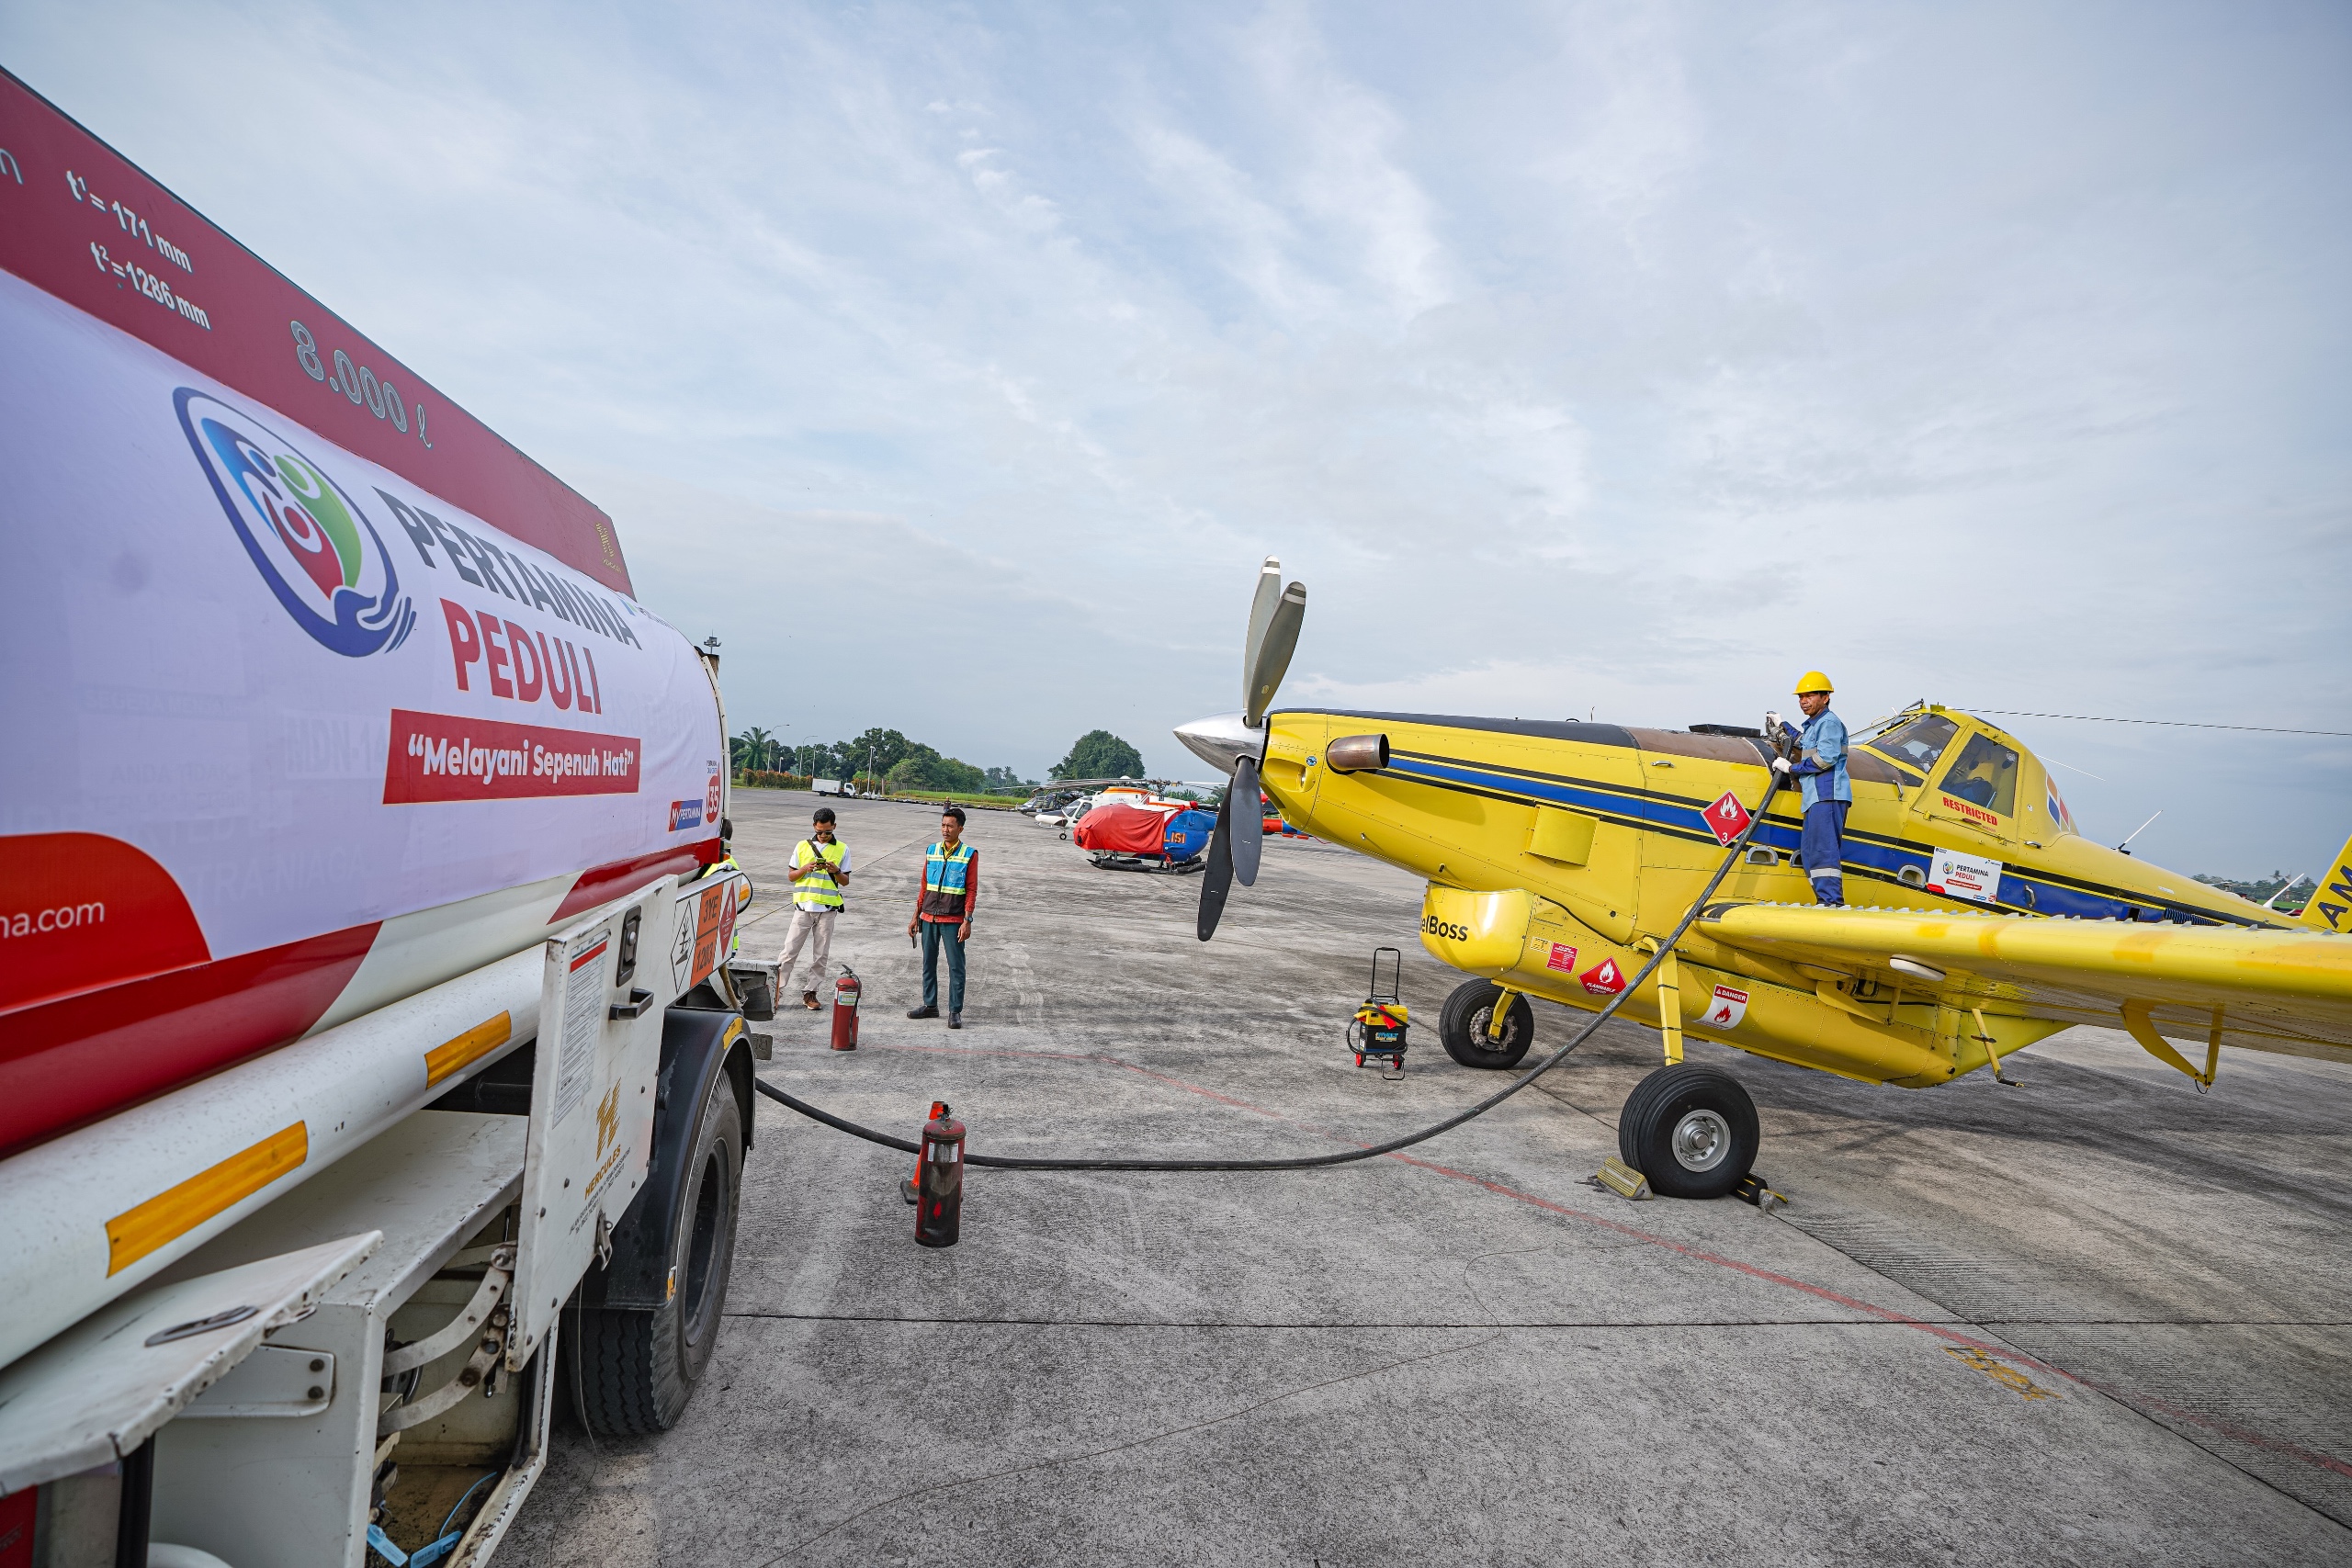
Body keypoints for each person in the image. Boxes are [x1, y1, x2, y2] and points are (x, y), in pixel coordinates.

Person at [1767, 671, 1849, 908]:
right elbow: (1802, 741)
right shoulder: (1816, 726)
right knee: (1811, 852)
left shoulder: (1829, 723)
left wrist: (1791, 767)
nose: (1804, 700)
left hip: (1828, 794)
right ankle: (1825, 901)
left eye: (1810, 695)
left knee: (1823, 850)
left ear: (1826, 697)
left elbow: (1826, 758)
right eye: (1801, 696)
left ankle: (1832, 903)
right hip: (1816, 796)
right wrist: (1782, 724)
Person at [907, 805, 977, 1028]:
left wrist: (967, 920)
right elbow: (924, 885)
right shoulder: (932, 850)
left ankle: (955, 1011)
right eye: (943, 825)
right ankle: (930, 1005)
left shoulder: (969, 854)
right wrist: (915, 916)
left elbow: (971, 889)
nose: (945, 830)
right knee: (928, 963)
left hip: (953, 919)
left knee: (956, 966)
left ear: (960, 829)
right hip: (928, 918)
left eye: (950, 826)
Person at [777, 807, 850, 1010]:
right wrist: (805, 868)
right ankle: (775, 992)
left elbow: (845, 881)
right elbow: (791, 876)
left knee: (820, 956)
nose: (824, 836)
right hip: (803, 908)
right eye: (820, 832)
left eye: (828, 831)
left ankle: (811, 993)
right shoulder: (801, 846)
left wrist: (836, 871)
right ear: (814, 827)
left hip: (827, 911)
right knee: (789, 952)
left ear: (834, 827)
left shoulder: (843, 849)